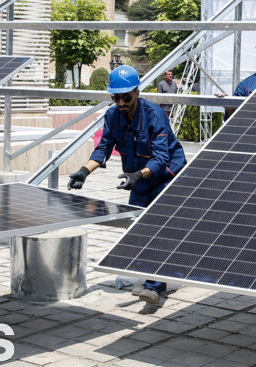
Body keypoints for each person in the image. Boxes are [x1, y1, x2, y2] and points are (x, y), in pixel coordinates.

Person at [67, 65, 185, 310]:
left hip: (165, 175)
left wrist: (136, 175)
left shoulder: (154, 115)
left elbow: (161, 159)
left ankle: (153, 286)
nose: (120, 102)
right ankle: (157, 277)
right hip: (139, 178)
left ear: (137, 92)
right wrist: (83, 172)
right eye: (116, 97)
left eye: (125, 97)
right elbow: (103, 149)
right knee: (137, 228)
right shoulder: (113, 116)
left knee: (157, 226)